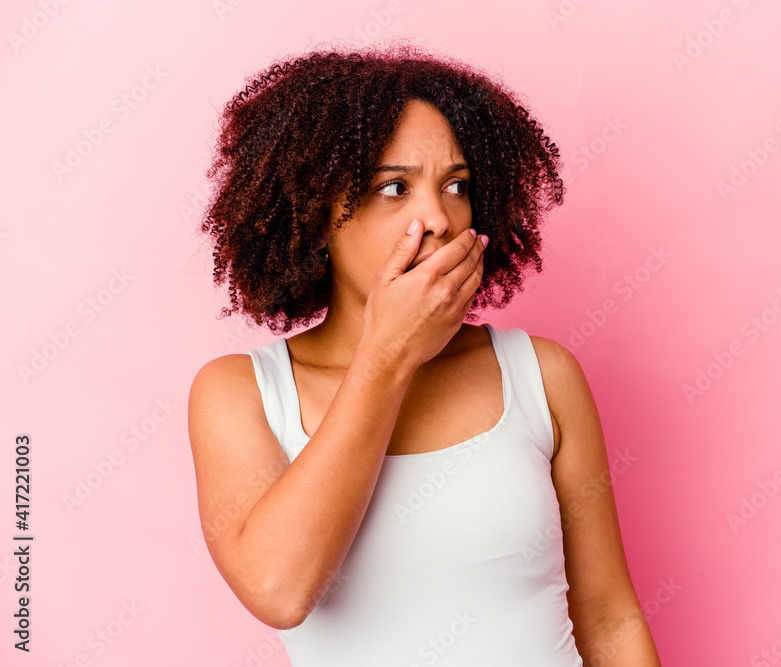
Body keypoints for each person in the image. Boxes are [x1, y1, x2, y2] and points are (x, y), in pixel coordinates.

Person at [187, 40, 660, 666]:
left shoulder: (541, 376)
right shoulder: (241, 393)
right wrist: (387, 355)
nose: (436, 217)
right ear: (316, 209)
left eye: (456, 185)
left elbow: (610, 619)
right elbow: (279, 588)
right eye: (393, 188)